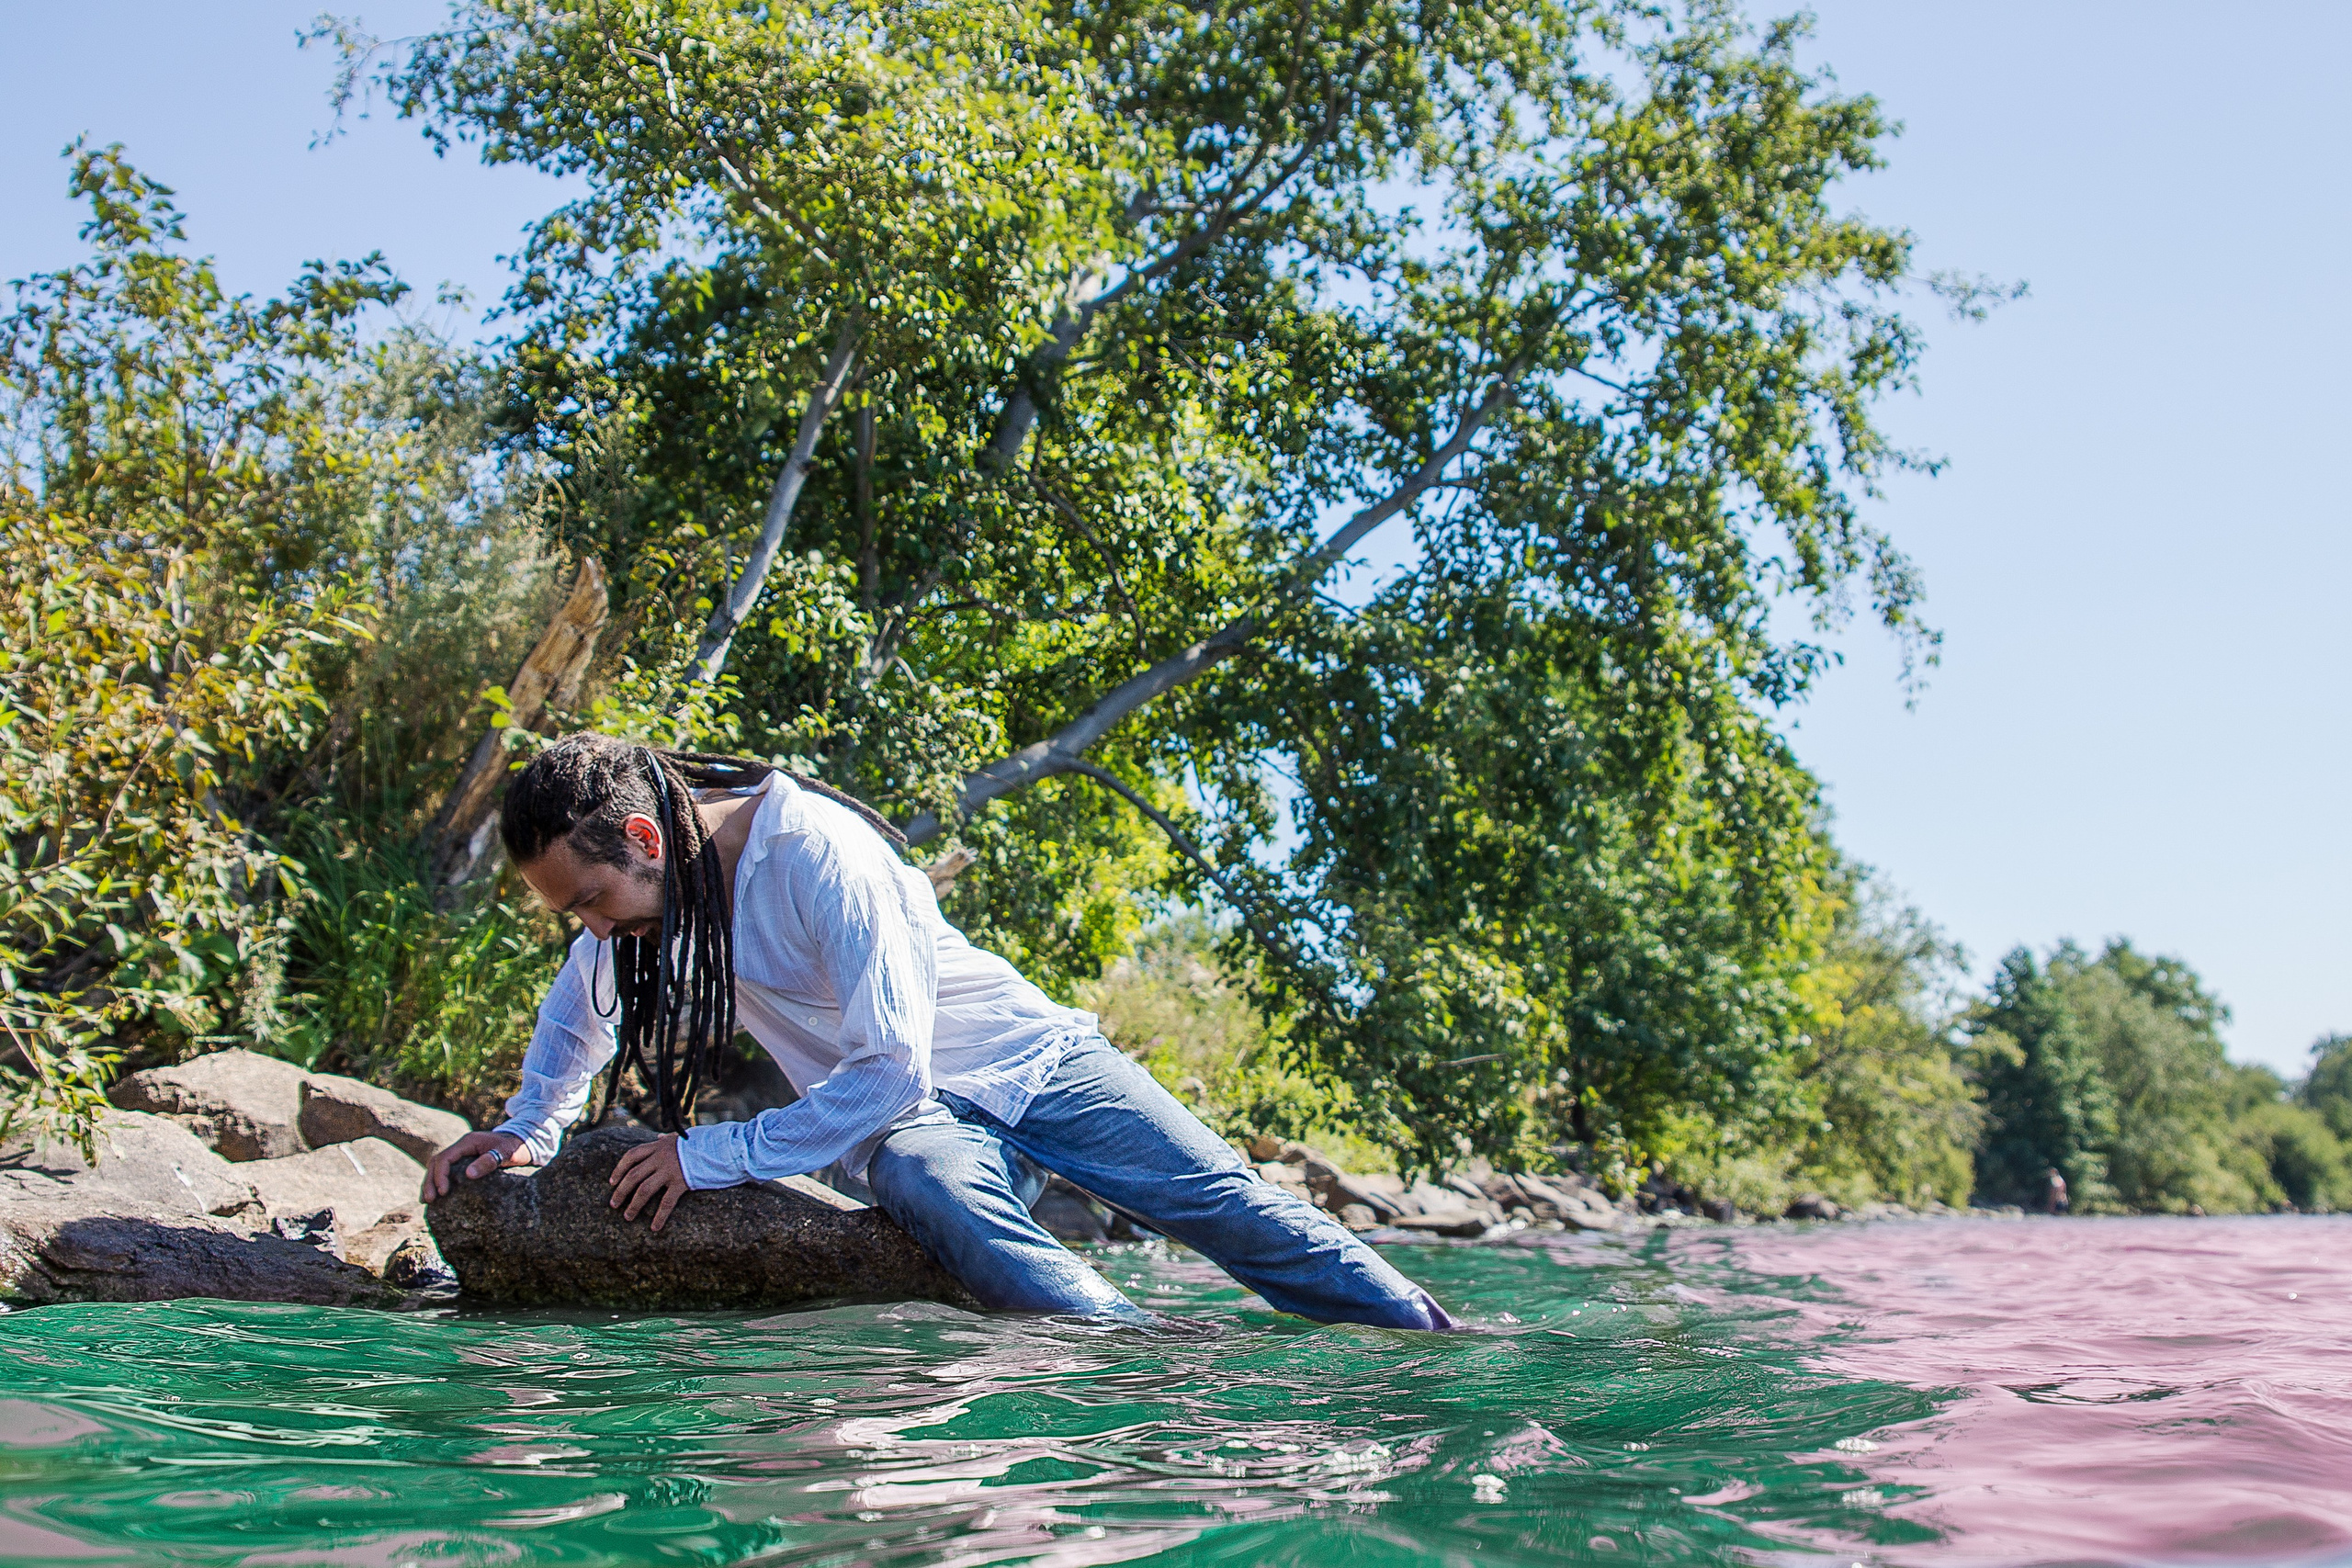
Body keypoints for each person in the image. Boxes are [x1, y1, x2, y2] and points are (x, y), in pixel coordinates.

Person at [421, 733, 1453, 1330]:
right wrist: (528, 1129)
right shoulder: (649, 899)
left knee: (1235, 1214)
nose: (593, 929)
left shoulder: (817, 853)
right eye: (577, 914)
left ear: (648, 838)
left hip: (1032, 1064)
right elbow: (578, 1008)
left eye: (594, 898)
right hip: (918, 1118)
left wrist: (710, 1155)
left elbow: (884, 1064)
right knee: (918, 1180)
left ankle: (1434, 1348)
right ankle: (1132, 1359)